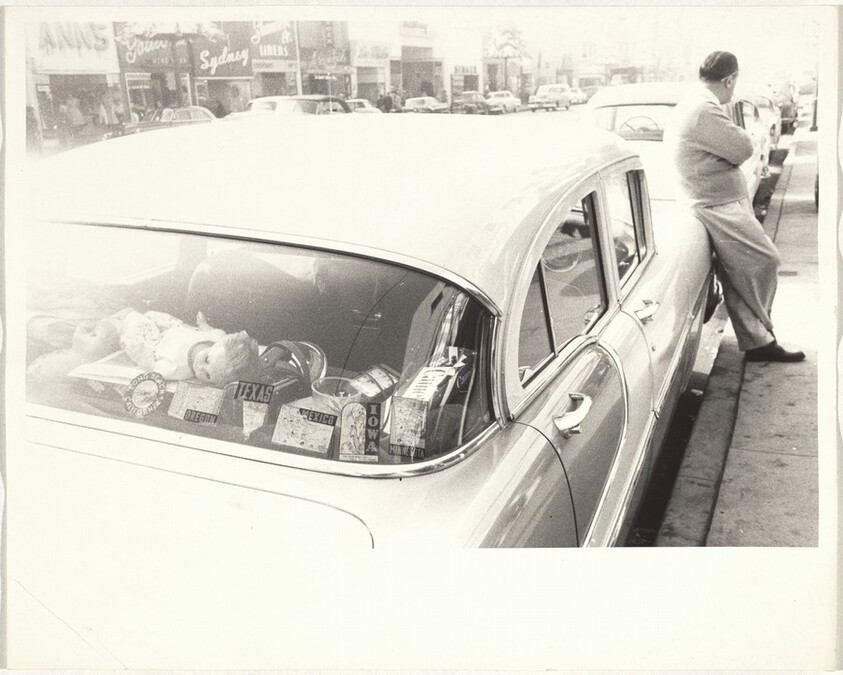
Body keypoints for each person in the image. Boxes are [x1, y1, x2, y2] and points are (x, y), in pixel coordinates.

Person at [665, 51, 804, 362]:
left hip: (711, 199)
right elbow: (742, 147)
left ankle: (759, 341)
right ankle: (761, 331)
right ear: (729, 80)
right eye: (735, 83)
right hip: (715, 203)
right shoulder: (704, 110)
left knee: (740, 271)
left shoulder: (695, 103)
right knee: (765, 260)